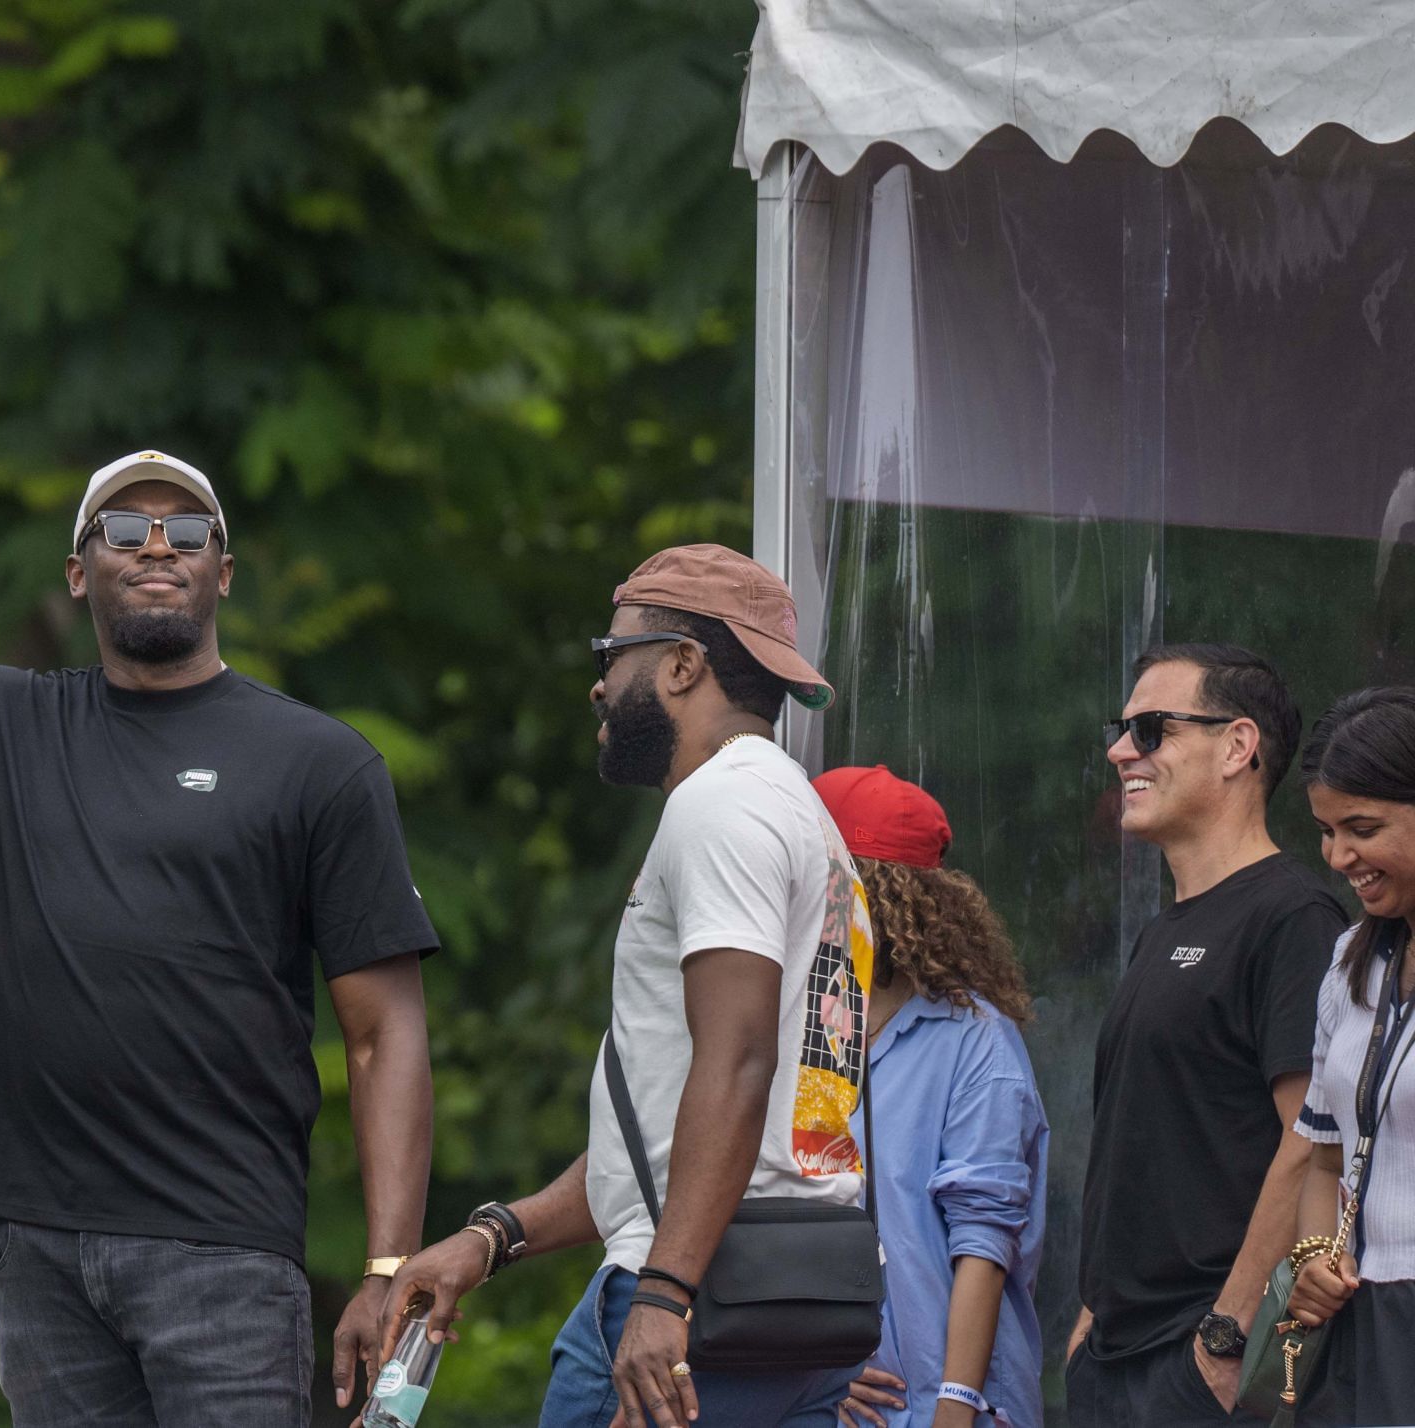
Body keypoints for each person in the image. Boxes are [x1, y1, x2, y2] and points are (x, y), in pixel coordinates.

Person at [0, 318, 439, 1426]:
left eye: (186, 529)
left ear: (224, 571)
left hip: (222, 1247)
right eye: (123, 526)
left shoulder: (320, 762)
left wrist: (391, 1267)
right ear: (77, 570)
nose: (155, 544)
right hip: (41, 1249)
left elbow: (384, 1033)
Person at [375, 543, 872, 1428]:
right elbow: (665, 1132)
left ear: (684, 666)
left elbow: (740, 1058)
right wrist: (493, 1238)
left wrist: (664, 1294)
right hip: (796, 1301)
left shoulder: (719, 806)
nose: (598, 688)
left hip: (694, 1312)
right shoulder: (804, 816)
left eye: (613, 658)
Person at [1068, 644, 1347, 1427]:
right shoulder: (1163, 930)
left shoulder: (1292, 916)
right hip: (1115, 1359)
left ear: (1237, 747)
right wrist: (1091, 1323)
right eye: (1120, 730)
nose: (1121, 749)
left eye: (1151, 728)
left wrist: (1229, 1335)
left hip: (1197, 1361)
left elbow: (1311, 1140)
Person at [810, 767, 1048, 1428]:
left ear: (865, 890)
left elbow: (984, 1240)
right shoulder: (809, 1033)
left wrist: (955, 1406)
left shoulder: (976, 1042)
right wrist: (819, 1367)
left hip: (955, 1409)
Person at [1282, 687, 1415, 1425]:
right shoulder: (1348, 964)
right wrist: (1310, 1260)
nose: (1338, 857)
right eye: (1327, 832)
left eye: (1362, 828)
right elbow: (1324, 1157)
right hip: (1354, 1327)